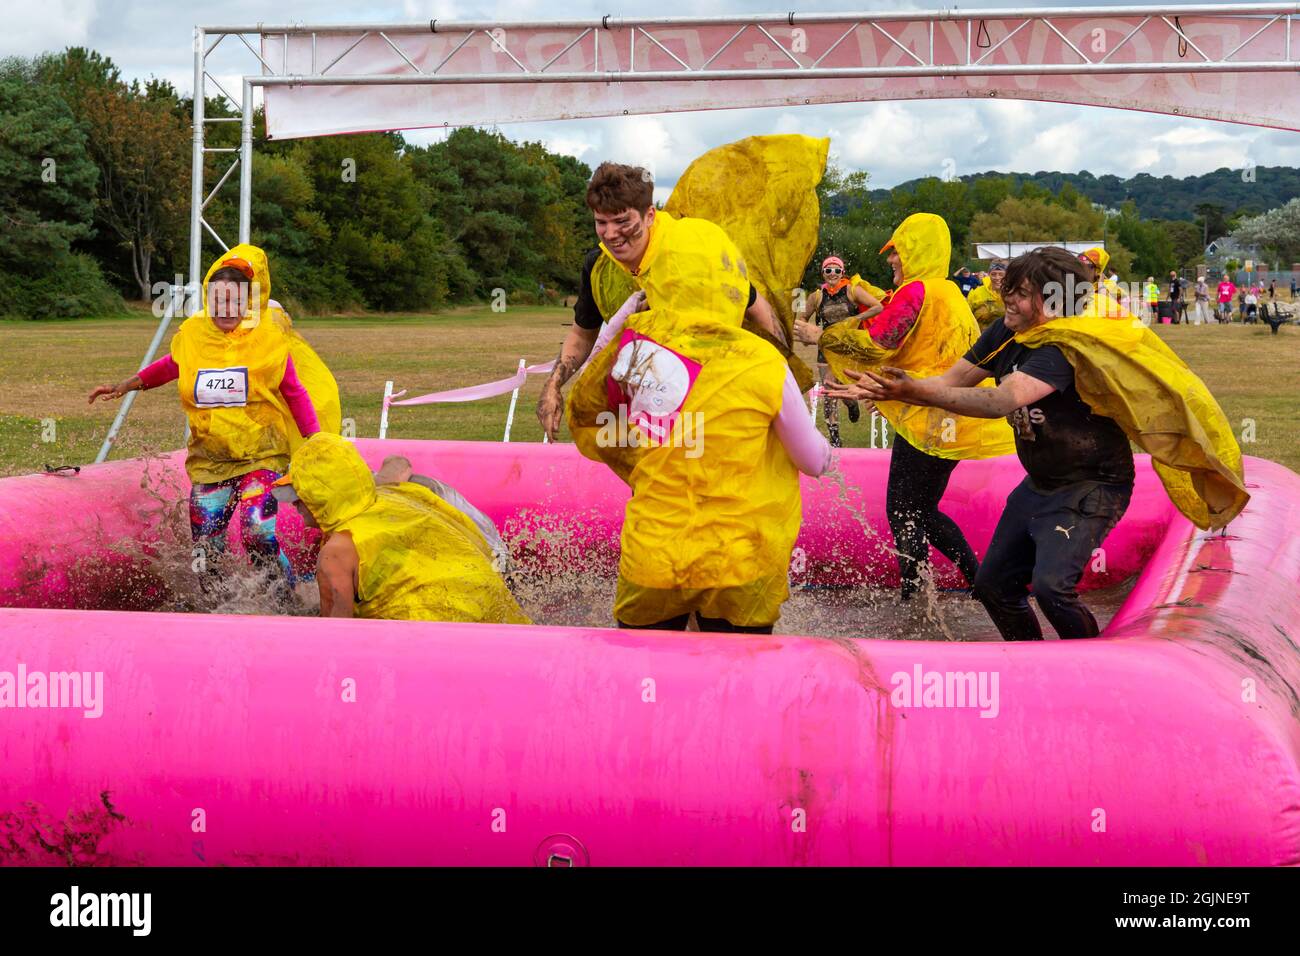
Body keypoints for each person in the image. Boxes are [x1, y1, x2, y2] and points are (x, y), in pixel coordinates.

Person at [833, 246, 1247, 641]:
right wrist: (892, 387)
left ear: (1053, 301)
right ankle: (1029, 665)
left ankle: (1091, 667)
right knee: (992, 585)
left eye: (1021, 294)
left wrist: (915, 393)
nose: (1007, 299)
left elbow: (1000, 401)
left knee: (1052, 589)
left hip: (1093, 486)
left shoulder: (1060, 349)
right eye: (1008, 288)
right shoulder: (1005, 331)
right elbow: (950, 381)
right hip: (1040, 484)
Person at [565, 209, 832, 634]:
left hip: (654, 556)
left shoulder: (637, 351)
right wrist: (826, 451)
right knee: (737, 685)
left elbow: (594, 411)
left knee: (642, 684)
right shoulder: (763, 361)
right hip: (740, 562)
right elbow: (812, 460)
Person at [796, 213, 1015, 601]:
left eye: (896, 251)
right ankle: (964, 586)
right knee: (919, 508)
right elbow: (925, 355)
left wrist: (821, 334)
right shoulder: (949, 293)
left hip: (931, 417)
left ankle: (928, 595)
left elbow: (875, 344)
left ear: (915, 250)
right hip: (950, 413)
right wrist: (880, 391)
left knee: (905, 510)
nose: (891, 260)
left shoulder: (917, 291)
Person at [88, 245, 336, 589]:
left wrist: (315, 440)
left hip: (260, 458)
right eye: (218, 302)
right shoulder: (194, 336)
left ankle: (285, 596)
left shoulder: (268, 340)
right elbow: (170, 367)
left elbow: (294, 391)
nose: (226, 310)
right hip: (210, 462)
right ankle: (215, 611)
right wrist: (124, 385)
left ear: (247, 303)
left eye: (234, 302)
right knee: (205, 553)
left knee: (257, 533)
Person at [537, 148, 814, 441]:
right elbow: (582, 335)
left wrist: (786, 382)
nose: (610, 233)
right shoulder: (599, 267)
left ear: (649, 216)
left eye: (621, 221)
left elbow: (753, 303)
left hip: (713, 393)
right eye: (600, 222)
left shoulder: (692, 254)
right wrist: (553, 385)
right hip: (644, 403)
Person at [271, 433, 529, 623]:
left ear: (321, 495)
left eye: (300, 492)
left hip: (433, 630)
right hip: (490, 600)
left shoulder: (335, 554)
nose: (294, 502)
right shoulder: (390, 494)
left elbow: (334, 638)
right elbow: (399, 464)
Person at [799, 255, 883, 446]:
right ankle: (835, 439)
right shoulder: (817, 296)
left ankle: (852, 404)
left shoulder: (853, 291)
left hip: (849, 348)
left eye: (836, 270)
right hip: (826, 349)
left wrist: (856, 319)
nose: (832, 274)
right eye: (828, 270)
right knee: (829, 392)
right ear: (823, 273)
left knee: (845, 389)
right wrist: (805, 332)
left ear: (842, 272)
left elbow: (877, 307)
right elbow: (803, 317)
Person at [966, 259, 1007, 326]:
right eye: (993, 274)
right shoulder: (976, 293)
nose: (997, 277)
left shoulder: (1013, 294)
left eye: (1001, 274)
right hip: (980, 335)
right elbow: (967, 317)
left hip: (1008, 336)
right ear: (989, 274)